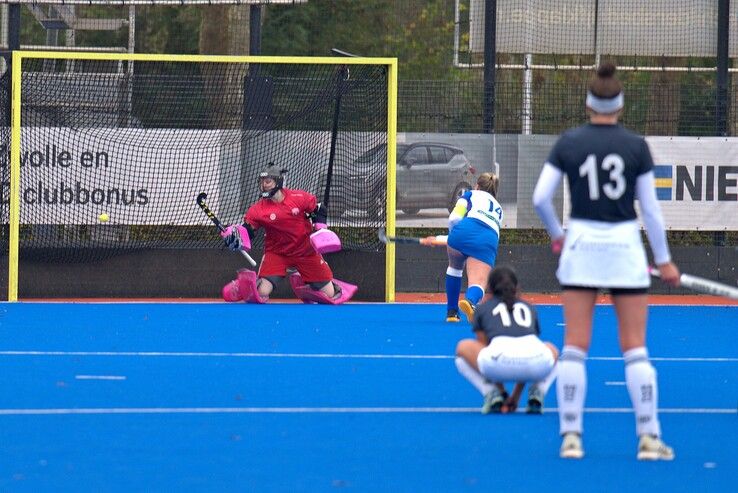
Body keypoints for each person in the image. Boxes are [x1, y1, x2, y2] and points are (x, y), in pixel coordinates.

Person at [532, 62, 680, 461]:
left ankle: (571, 437)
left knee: (574, 349)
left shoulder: (568, 142)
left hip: (581, 247)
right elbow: (650, 211)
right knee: (635, 349)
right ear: (620, 103)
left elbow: (540, 199)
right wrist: (664, 260)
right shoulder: (636, 146)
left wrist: (558, 237)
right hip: (624, 250)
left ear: (588, 103)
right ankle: (649, 437)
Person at [220, 164, 357, 305]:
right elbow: (248, 231)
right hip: (277, 254)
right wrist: (234, 235)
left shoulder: (299, 197)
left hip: (306, 251)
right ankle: (242, 285)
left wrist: (321, 229)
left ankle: (306, 283)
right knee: (262, 292)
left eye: (268, 181)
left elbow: (319, 208)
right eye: (262, 182)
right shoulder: (257, 210)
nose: (264, 186)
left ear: (278, 182)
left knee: (330, 295)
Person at [455, 265, 558, 415]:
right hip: (535, 364)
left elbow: (485, 350)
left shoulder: (483, 309)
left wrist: (503, 393)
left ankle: (492, 394)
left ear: (489, 288)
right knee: (552, 350)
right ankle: (537, 392)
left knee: (462, 350)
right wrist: (515, 397)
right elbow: (528, 347)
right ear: (517, 287)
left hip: (497, 364)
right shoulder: (529, 308)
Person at [445, 172, 503, 322]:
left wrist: (453, 235)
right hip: (486, 240)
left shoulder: (470, 195)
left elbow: (454, 218)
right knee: (479, 282)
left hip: (461, 233)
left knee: (454, 268)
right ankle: (470, 301)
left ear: (477, 186)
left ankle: (452, 313)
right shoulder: (499, 209)